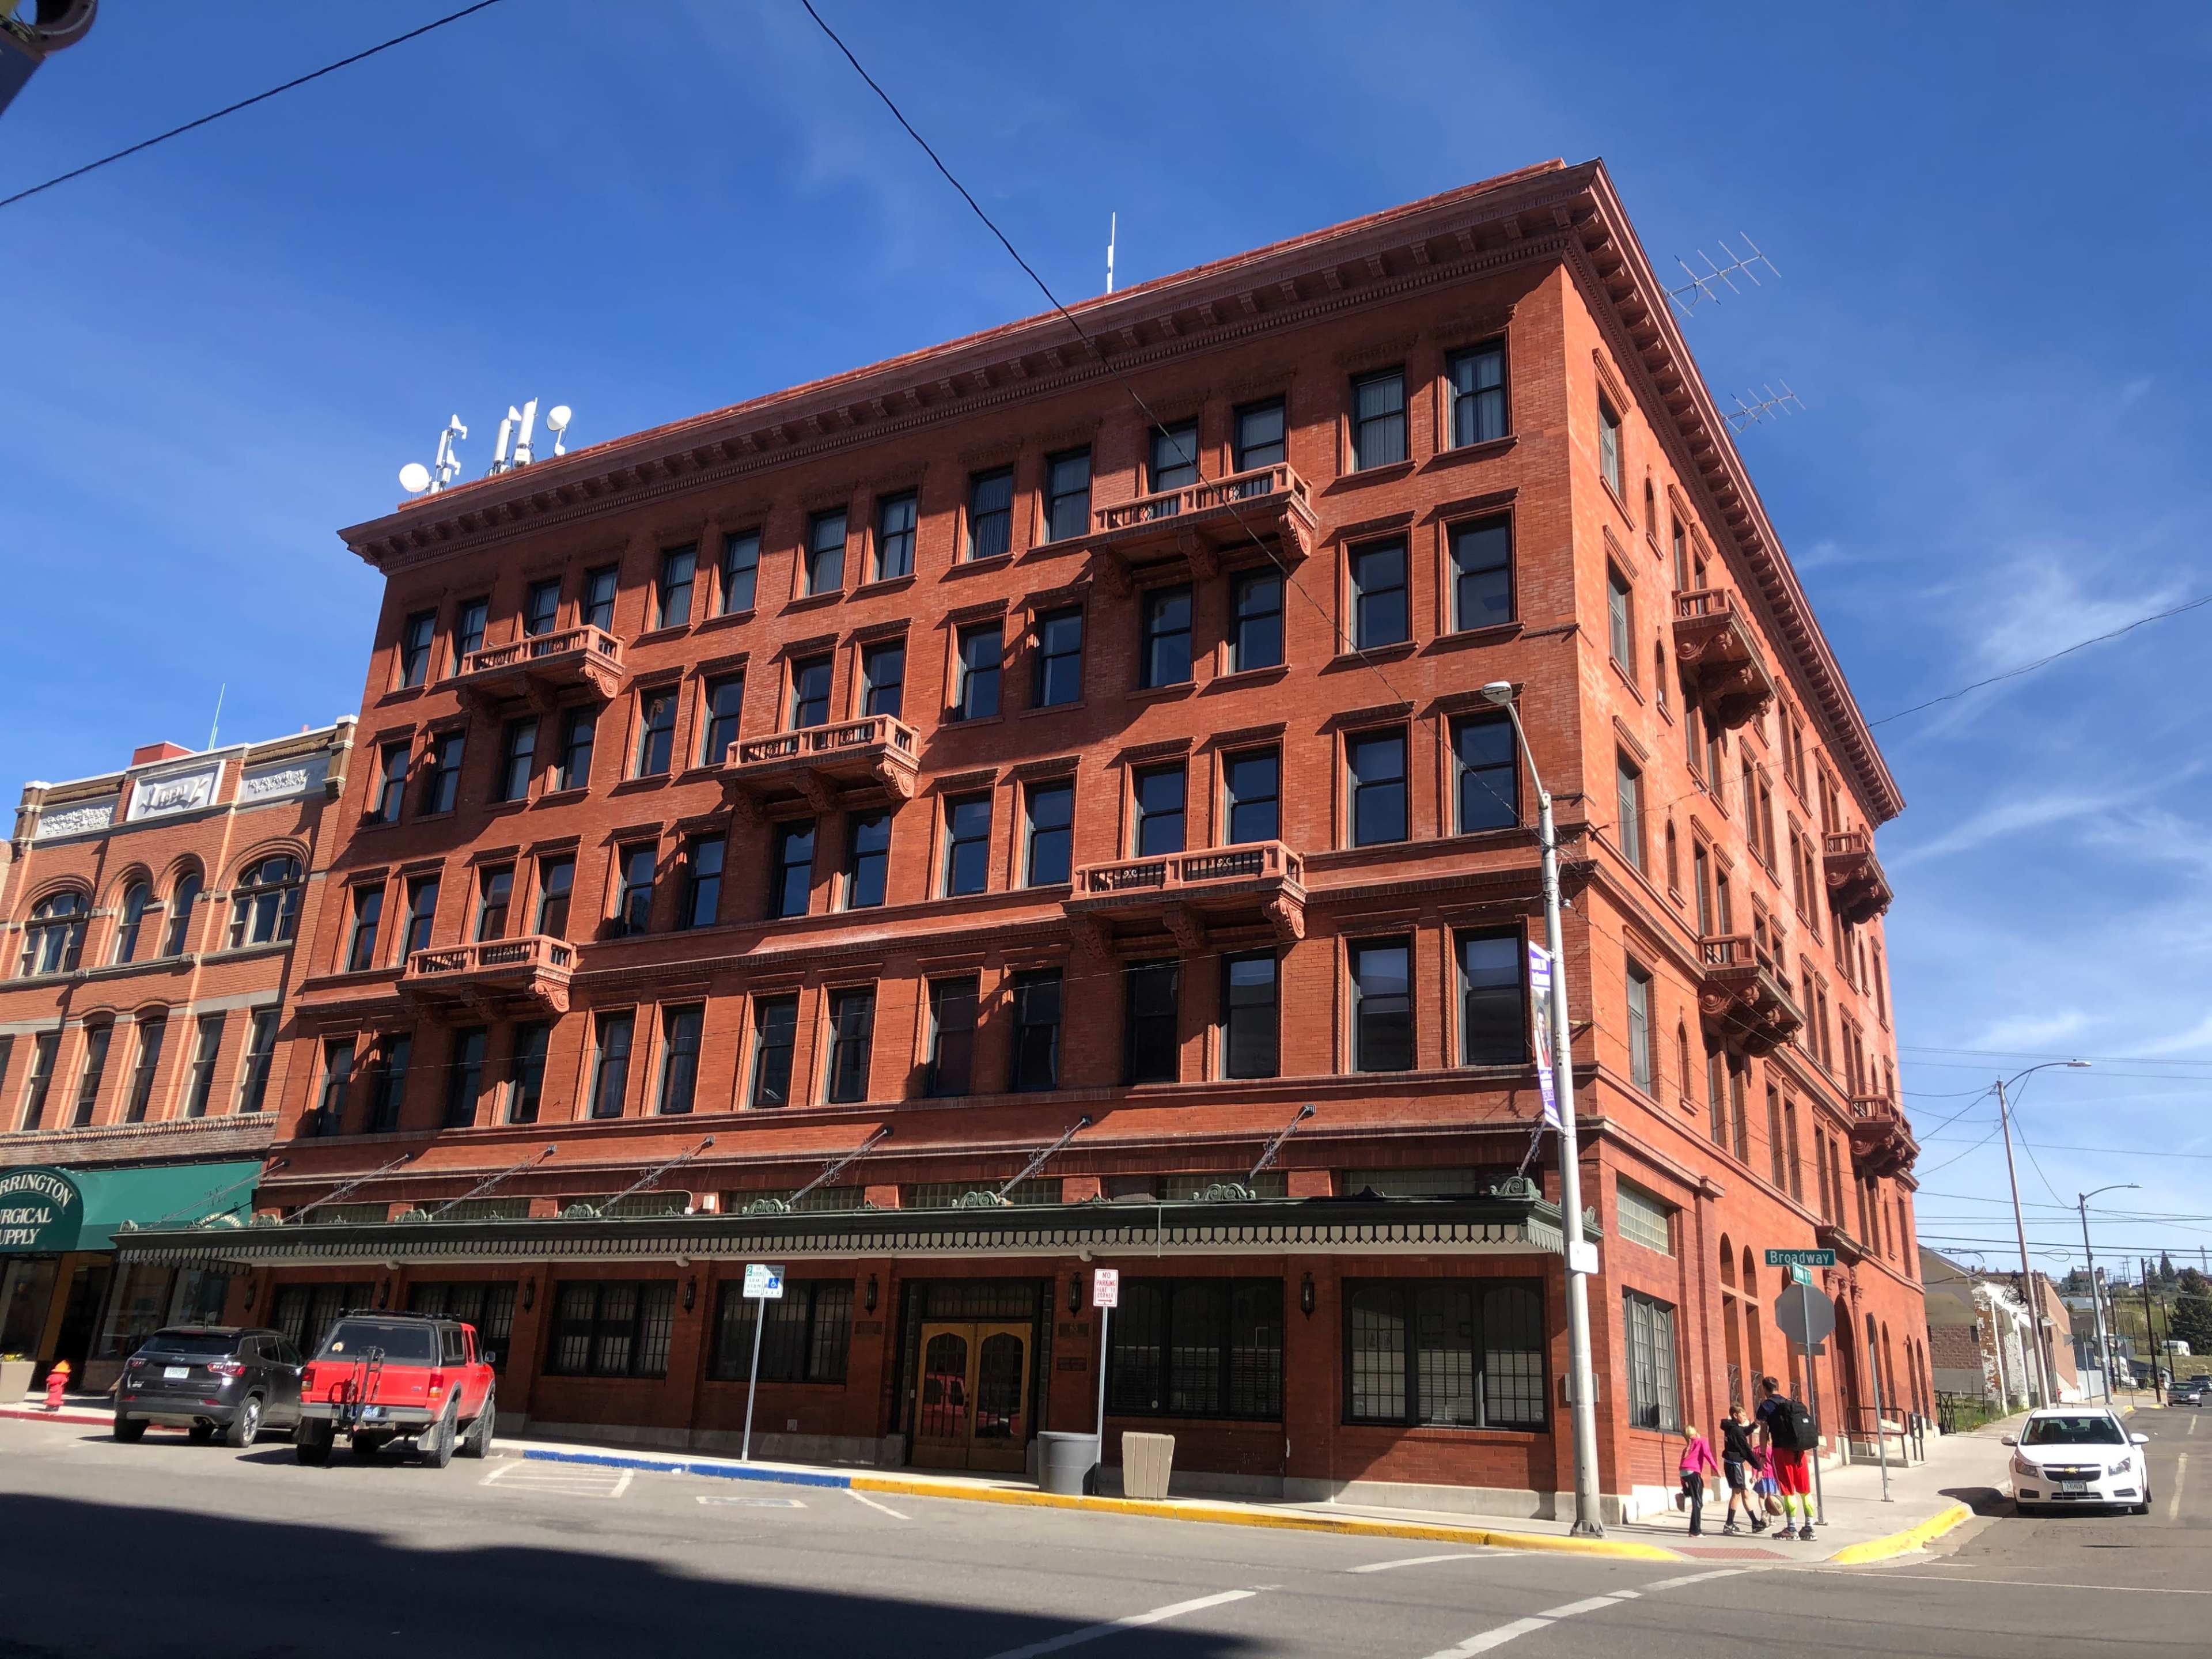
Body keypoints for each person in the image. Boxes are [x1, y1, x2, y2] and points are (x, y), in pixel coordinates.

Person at [1755, 1373, 1816, 1542]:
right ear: (1778, 1387)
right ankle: (1810, 1528)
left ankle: (1791, 1529)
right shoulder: (1789, 1403)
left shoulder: (1766, 1406)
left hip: (1781, 1451)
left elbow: (1763, 1432)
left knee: (1788, 1490)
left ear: (1765, 1389)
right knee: (1805, 1491)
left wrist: (1762, 1454)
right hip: (1799, 1451)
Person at [1719, 1402, 1766, 1535]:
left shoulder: (1731, 1428)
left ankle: (1755, 1523)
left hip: (1733, 1464)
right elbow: (1746, 1450)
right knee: (1737, 1493)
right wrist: (1758, 1467)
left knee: (1745, 1492)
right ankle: (1729, 1524)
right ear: (1735, 1415)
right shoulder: (1735, 1430)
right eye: (1743, 1414)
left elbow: (1741, 1433)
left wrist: (1752, 1426)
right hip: (1734, 1465)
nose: (1745, 1417)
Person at [1678, 1423, 1721, 1536]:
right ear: (1696, 1433)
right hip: (1693, 1472)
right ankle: (1695, 1531)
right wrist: (1716, 1469)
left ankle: (1684, 1494)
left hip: (1684, 1473)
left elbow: (1682, 1467)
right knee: (1698, 1502)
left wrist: (1683, 1485)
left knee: (1695, 1497)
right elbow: (1708, 1455)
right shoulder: (1702, 1441)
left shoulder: (1687, 1448)